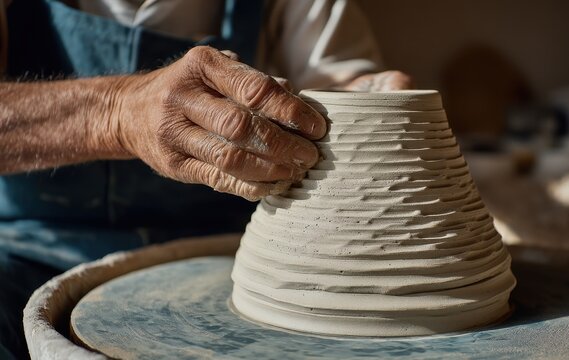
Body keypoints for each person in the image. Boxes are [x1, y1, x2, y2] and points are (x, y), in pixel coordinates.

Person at [0, 0, 411, 357]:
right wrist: (117, 111)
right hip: (29, 247)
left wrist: (362, 110)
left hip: (226, 258)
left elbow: (335, 88)